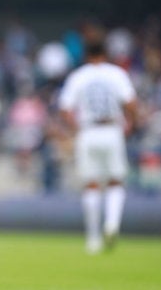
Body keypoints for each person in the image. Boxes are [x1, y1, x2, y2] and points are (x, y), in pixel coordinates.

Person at [58, 37, 138, 254]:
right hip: (112, 129)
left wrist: (77, 128)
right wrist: (131, 123)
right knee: (115, 182)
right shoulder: (116, 74)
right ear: (105, 53)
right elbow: (131, 103)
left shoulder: (79, 76)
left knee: (91, 184)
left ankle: (93, 239)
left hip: (88, 130)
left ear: (86, 55)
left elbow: (65, 109)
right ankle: (112, 224)